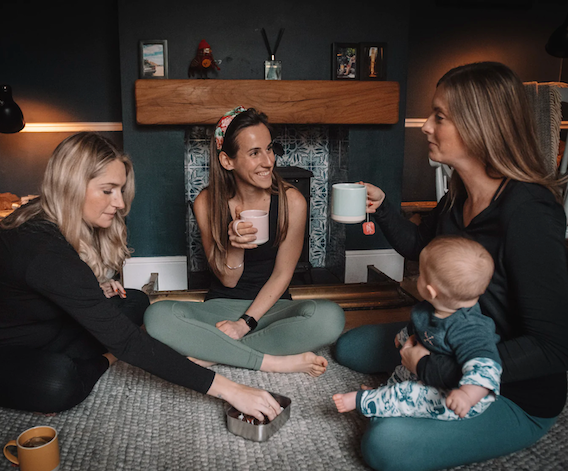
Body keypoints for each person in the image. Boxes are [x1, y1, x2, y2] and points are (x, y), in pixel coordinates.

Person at [0, 132, 283, 421]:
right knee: (58, 383)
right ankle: (105, 360)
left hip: (31, 328)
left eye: (120, 190)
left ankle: (93, 351)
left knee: (132, 301)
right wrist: (231, 389)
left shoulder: (51, 217)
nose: (120, 203)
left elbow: (49, 287)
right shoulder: (39, 246)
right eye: (108, 190)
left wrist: (93, 290)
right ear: (72, 186)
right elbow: (130, 341)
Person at [333, 62, 568, 471]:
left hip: (509, 389)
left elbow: (552, 348)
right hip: (448, 337)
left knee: (384, 445)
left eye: (439, 116)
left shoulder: (529, 215)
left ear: (480, 125)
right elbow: (420, 250)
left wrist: (430, 367)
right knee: (349, 348)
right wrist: (384, 208)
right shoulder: (458, 195)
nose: (425, 126)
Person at [144, 107, 345, 376]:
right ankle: (272, 361)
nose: (268, 161)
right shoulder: (207, 203)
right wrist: (235, 247)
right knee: (156, 317)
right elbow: (227, 280)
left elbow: (283, 275)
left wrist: (245, 324)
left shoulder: (292, 201)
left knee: (330, 318)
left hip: (272, 310)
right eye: (254, 153)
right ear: (228, 161)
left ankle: (215, 353)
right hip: (219, 308)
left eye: (269, 149)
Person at [334, 235, 501, 421]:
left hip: (457, 395)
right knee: (402, 372)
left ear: (430, 291)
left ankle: (365, 401)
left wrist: (467, 395)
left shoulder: (471, 328)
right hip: (424, 366)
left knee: (410, 393)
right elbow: (419, 327)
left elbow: (485, 367)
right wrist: (404, 336)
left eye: (420, 275)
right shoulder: (428, 308)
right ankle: (385, 393)